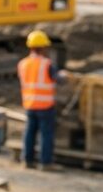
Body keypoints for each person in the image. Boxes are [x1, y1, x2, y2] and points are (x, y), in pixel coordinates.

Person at [17, 31, 69, 172]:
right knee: (46, 134)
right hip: (45, 105)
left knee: (29, 133)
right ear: (44, 47)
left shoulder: (23, 64)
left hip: (29, 103)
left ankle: (27, 160)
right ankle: (46, 163)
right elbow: (58, 79)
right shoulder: (46, 64)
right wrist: (64, 75)